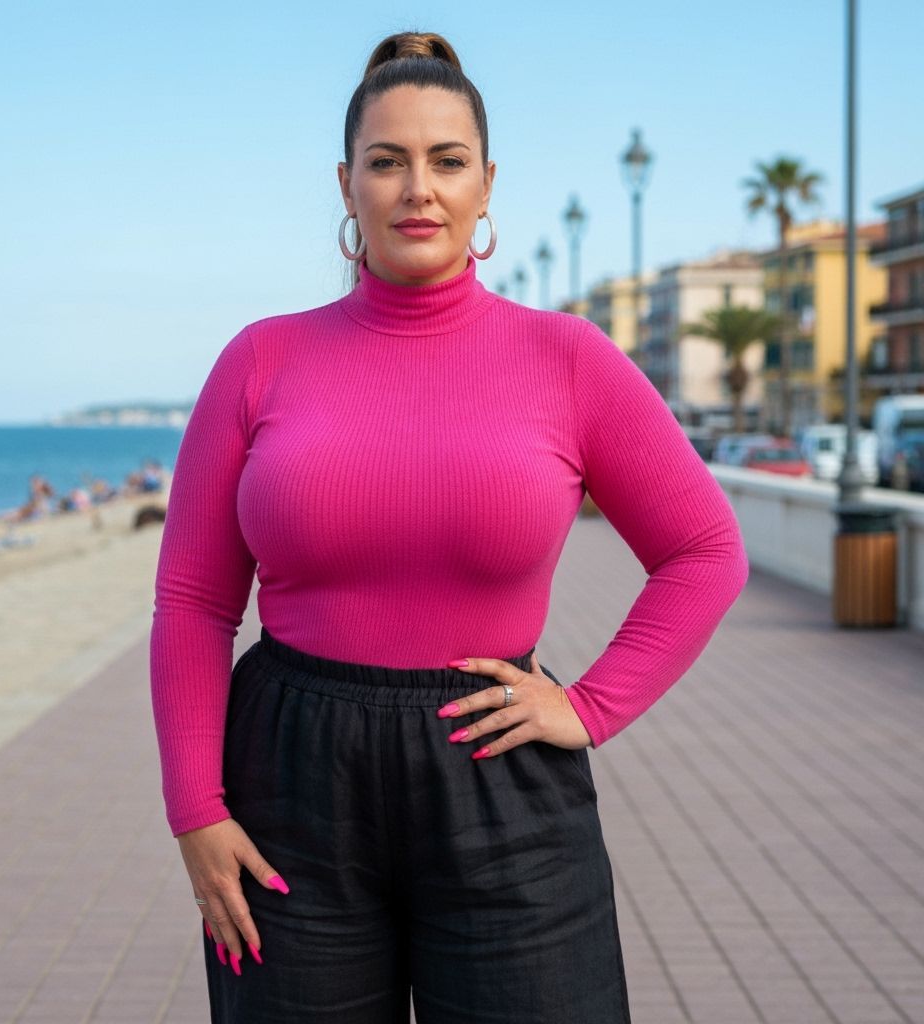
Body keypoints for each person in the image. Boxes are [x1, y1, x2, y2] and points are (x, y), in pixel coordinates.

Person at [149, 30, 749, 1024]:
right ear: (346, 185)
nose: (417, 189)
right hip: (290, 783)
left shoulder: (567, 359)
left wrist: (591, 707)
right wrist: (193, 810)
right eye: (387, 161)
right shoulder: (259, 360)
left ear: (486, 185)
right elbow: (193, 600)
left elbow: (705, 550)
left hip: (500, 777)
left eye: (447, 160)